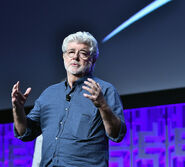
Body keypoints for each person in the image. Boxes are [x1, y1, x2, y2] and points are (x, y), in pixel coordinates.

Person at [11, 31, 127, 167]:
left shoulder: (105, 90)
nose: (75, 57)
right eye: (71, 52)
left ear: (93, 59)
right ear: (64, 56)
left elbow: (116, 134)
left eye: (83, 53)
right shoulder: (49, 94)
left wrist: (102, 105)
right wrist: (18, 109)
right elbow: (24, 133)